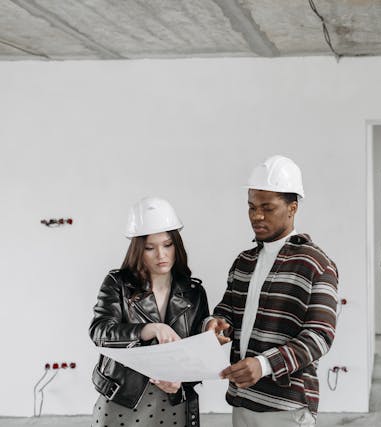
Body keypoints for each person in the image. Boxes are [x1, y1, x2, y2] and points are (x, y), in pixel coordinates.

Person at [203, 155, 338, 427]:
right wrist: (214, 325)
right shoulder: (244, 261)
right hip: (242, 398)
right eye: (251, 207)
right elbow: (226, 311)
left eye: (268, 207)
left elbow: (320, 336)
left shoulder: (316, 264)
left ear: (293, 208)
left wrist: (263, 365)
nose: (257, 216)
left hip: (287, 407)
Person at [89, 197, 210, 427]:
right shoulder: (118, 283)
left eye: (167, 245)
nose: (161, 255)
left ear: (177, 245)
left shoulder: (194, 293)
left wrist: (181, 383)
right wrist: (148, 329)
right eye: (150, 248)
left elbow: (199, 355)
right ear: (138, 249)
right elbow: (100, 332)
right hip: (122, 401)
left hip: (173, 404)